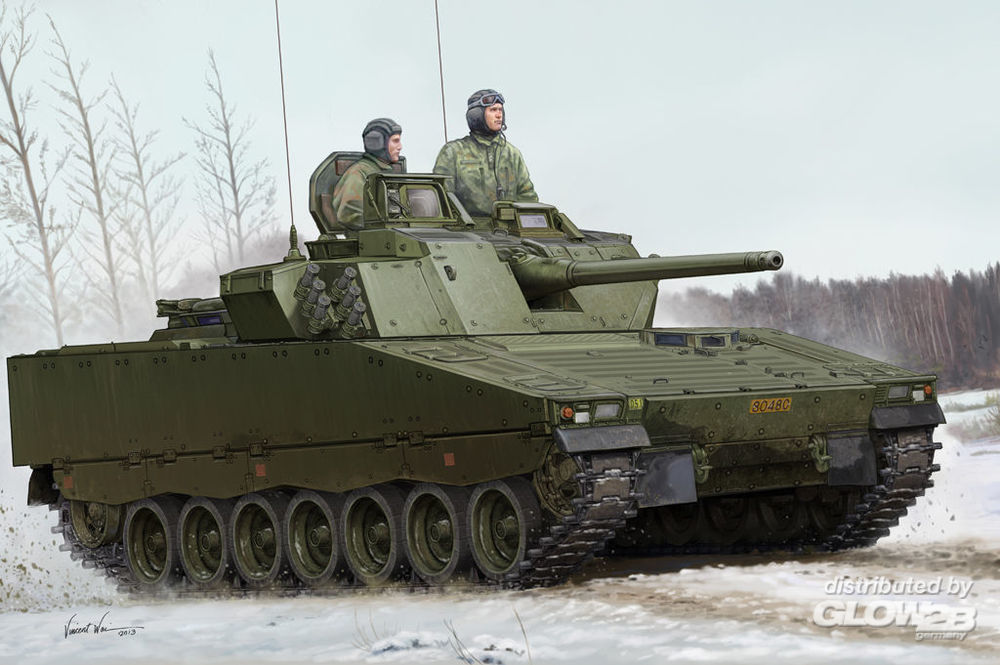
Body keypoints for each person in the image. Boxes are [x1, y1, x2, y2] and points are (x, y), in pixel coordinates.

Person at [433, 89, 537, 217]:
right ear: (477, 115)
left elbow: (527, 196)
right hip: (467, 226)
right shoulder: (453, 152)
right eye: (493, 110)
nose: (499, 115)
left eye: (500, 110)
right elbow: (441, 197)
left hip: (510, 226)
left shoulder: (512, 154)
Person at [331, 117, 402, 230]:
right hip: (371, 237)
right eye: (395, 141)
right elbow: (349, 214)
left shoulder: (386, 172)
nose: (400, 147)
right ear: (377, 143)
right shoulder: (359, 172)